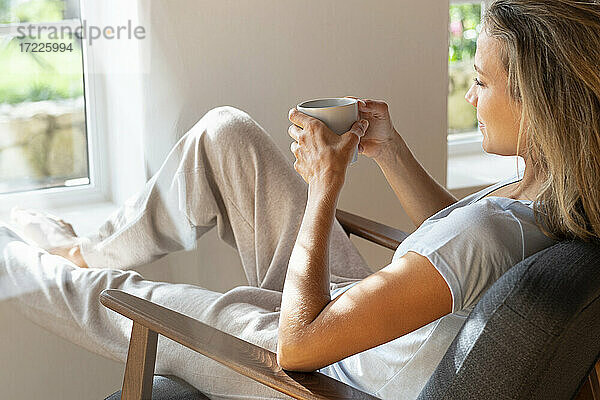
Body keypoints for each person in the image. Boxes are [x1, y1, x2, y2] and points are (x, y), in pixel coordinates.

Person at [2, 0, 599, 398]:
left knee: (123, 298)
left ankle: (17, 260)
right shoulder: (552, 199)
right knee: (227, 134)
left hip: (319, 366)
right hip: (359, 316)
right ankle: (88, 247)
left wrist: (323, 189)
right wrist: (390, 153)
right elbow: (468, 252)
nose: (470, 96)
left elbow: (296, 344)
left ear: (538, 103)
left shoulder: (491, 234)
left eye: (482, 81)